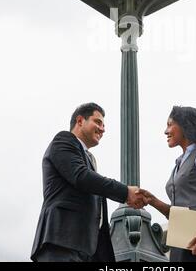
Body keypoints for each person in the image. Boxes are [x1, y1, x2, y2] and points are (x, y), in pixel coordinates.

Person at [31, 102, 144, 262]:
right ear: (79, 121)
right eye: (97, 122)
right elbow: (82, 177)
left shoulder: (89, 158)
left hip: (85, 249)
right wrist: (125, 192)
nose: (103, 129)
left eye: (104, 125)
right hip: (61, 243)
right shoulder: (63, 140)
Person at [137, 106, 196, 262]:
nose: (165, 131)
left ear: (185, 125)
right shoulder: (178, 164)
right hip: (179, 244)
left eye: (170, 124)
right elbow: (177, 215)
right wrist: (153, 201)